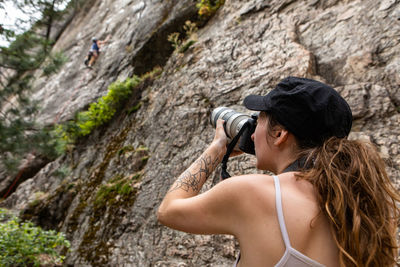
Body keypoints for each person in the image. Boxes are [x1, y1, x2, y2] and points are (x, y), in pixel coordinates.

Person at [157, 77, 400, 266]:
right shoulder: (356, 209)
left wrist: (216, 149)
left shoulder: (253, 193)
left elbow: (169, 211)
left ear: (279, 134)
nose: (252, 133)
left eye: (260, 119)